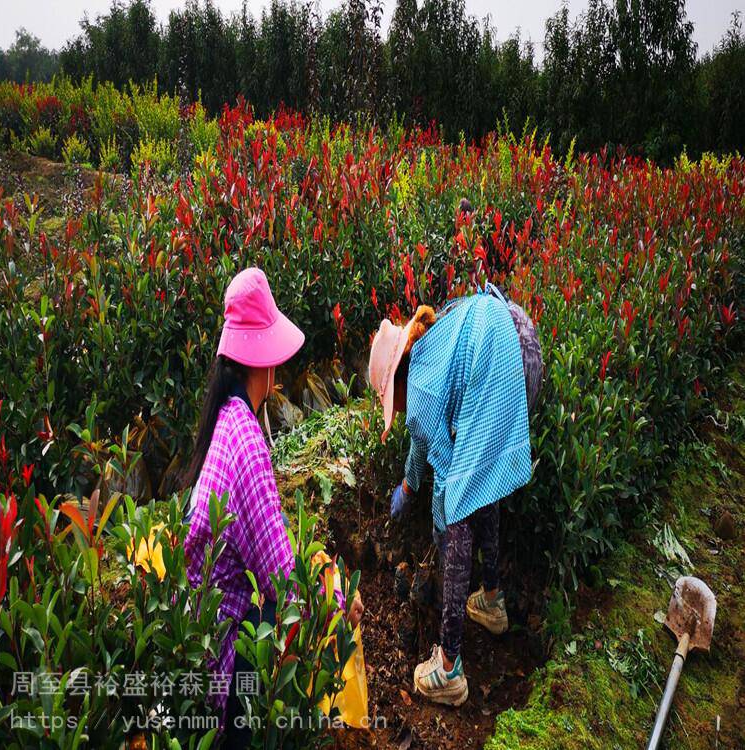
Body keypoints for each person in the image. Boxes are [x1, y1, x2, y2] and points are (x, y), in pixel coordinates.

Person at [184, 268, 363, 746]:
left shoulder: (225, 421)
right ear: (264, 362)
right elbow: (283, 585)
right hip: (229, 665)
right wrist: (340, 603)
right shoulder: (247, 440)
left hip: (200, 641)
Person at [368, 282, 542, 707]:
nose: (400, 408)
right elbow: (423, 441)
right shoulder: (431, 349)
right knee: (485, 481)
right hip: (522, 346)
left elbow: (447, 477)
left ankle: (448, 667)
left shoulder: (421, 390)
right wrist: (409, 486)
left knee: (460, 504)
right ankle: (491, 600)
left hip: (502, 361)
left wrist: (441, 528)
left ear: (400, 378)